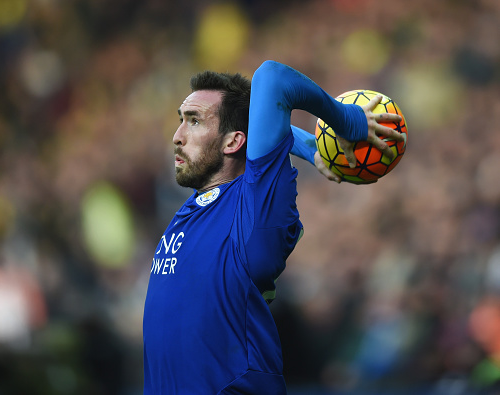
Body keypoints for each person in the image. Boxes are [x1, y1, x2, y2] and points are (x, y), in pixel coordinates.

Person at [142, 60, 403, 394]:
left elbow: (273, 78)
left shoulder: (255, 208)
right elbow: (257, 124)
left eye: (194, 121)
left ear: (234, 142)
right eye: (181, 121)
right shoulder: (199, 207)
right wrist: (311, 147)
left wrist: (347, 121)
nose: (177, 137)